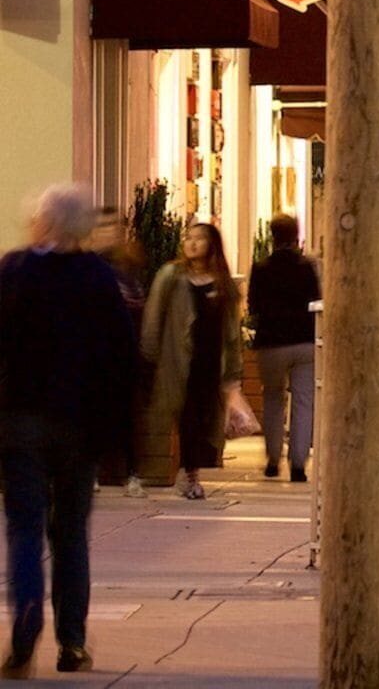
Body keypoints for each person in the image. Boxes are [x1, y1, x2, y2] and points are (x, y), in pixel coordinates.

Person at [1, 184, 135, 673]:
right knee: (71, 532)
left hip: (20, 420)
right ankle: (72, 642)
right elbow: (121, 356)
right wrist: (118, 432)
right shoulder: (98, 278)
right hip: (80, 425)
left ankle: (26, 617)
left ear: (45, 222)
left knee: (24, 526)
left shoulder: (13, 271)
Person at [136, 223, 237, 501]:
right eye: (188, 238)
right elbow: (154, 316)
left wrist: (233, 371)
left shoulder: (222, 282)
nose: (192, 243)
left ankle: (191, 471)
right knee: (186, 414)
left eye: (199, 239)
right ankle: (188, 474)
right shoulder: (172, 275)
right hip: (178, 360)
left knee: (205, 418)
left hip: (210, 360)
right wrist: (149, 353)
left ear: (211, 244)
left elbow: (231, 330)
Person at [243, 217, 318, 486]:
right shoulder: (307, 268)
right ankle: (298, 465)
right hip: (304, 342)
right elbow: (317, 301)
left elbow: (253, 306)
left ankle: (273, 460)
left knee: (273, 399)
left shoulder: (261, 268)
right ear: (296, 236)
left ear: (272, 236)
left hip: (272, 342)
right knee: (303, 401)